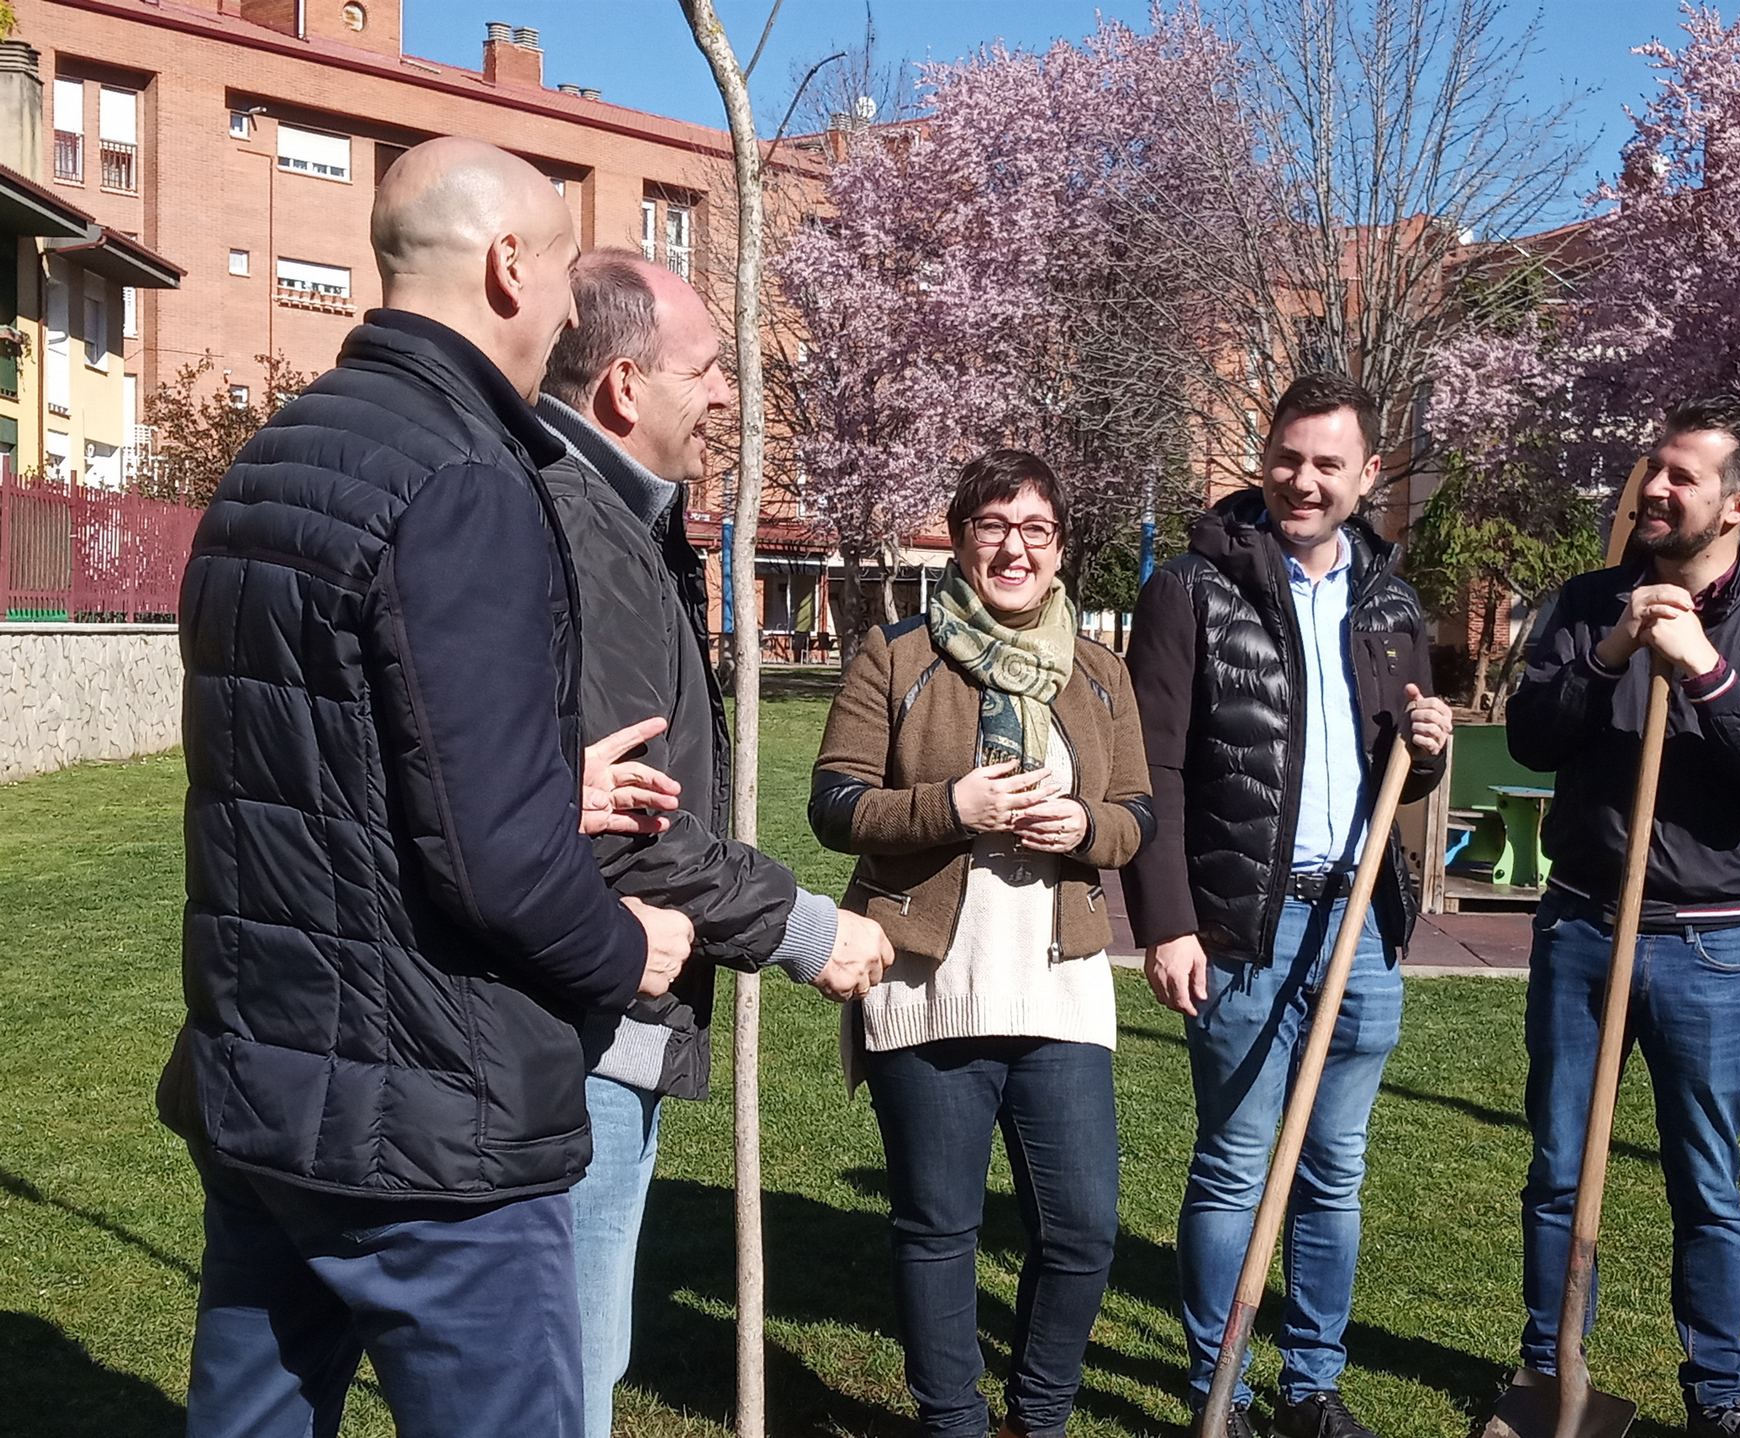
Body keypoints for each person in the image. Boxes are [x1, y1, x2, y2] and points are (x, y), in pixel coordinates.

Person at [157, 138, 695, 1438]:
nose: (572, 308)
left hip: (263, 1085)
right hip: (427, 1124)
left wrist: (524, 777)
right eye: (567, 271)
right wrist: (629, 944)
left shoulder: (275, 454)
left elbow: (314, 755)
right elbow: (499, 861)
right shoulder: (465, 476)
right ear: (511, 268)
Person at [535, 248, 895, 1438]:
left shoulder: (634, 525)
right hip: (574, 1025)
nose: (730, 395)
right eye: (708, 369)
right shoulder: (580, 527)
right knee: (567, 1377)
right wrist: (810, 930)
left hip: (592, 1018)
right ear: (625, 386)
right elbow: (635, 826)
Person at [1121, 372, 1453, 1438]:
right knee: (1233, 1161)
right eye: (1287, 456)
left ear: (1367, 476)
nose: (1302, 480)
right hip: (1244, 922)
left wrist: (1432, 750)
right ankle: (1220, 1389)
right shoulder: (1191, 586)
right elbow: (1152, 771)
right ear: (1265, 458)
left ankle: (1311, 1386)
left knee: (1336, 1166)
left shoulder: (1392, 603)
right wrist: (1166, 921)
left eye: (1327, 463)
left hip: (1359, 922)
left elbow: (1398, 771)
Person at [1505, 395, 1740, 1438]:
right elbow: (1528, 737)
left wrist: (1704, 667)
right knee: (1560, 1167)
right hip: (1581, 926)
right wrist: (1609, 653)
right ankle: (1546, 1371)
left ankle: (1719, 1398)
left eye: (1682, 475)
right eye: (1654, 467)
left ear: (1739, 502)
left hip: (1705, 941)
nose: (1655, 486)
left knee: (1707, 1180)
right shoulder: (1585, 600)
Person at [809, 449, 1154, 1438]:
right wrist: (951, 806)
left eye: (1035, 528)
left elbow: (1134, 816)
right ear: (961, 538)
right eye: (993, 525)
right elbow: (834, 801)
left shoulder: (1099, 673)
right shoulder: (896, 654)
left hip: (1059, 989)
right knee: (938, 1227)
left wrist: (1083, 830)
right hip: (929, 983)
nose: (1014, 545)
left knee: (1083, 1229)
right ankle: (952, 1421)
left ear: (1058, 551)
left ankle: (1035, 1418)